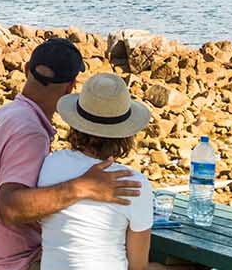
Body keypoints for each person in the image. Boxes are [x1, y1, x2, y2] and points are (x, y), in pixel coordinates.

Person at [0, 38, 141, 270]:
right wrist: (83, 187)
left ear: (26, 70)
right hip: (9, 263)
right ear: (70, 87)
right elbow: (11, 208)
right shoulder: (30, 130)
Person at [37, 72, 161, 270]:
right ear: (125, 134)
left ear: (76, 125)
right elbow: (138, 267)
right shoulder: (133, 183)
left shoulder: (50, 164)